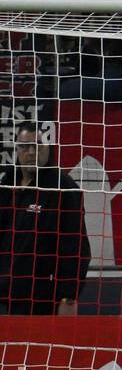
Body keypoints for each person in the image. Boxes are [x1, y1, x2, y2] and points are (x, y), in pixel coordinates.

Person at [0, 122, 89, 315]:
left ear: (47, 148)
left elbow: (76, 247)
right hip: (6, 295)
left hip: (43, 299)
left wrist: (68, 297)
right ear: (17, 149)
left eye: (38, 145)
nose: (31, 152)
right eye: (25, 146)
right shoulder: (7, 184)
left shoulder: (62, 187)